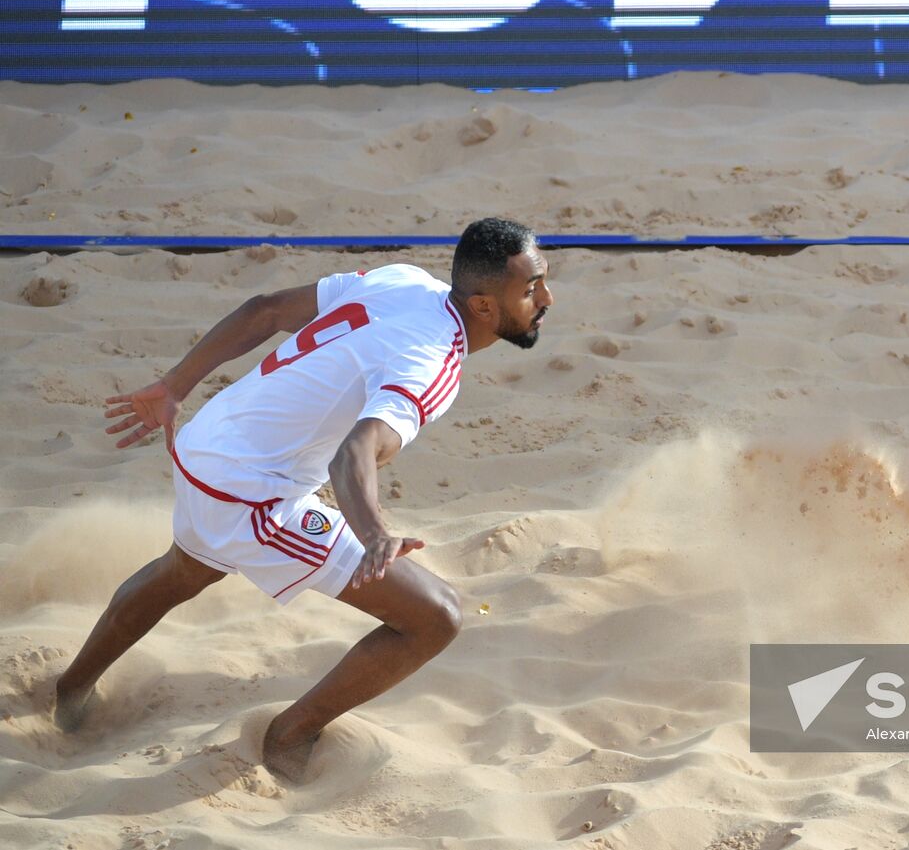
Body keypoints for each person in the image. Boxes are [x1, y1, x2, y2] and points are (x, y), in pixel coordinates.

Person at [53, 217, 553, 782]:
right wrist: (375, 534)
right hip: (250, 493)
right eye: (531, 288)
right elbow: (353, 455)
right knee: (436, 617)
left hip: (205, 444)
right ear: (485, 306)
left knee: (185, 570)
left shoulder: (405, 280)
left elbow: (263, 309)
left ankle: (70, 693)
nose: (547, 298)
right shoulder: (433, 362)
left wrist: (174, 385)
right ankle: (288, 738)